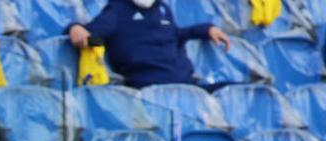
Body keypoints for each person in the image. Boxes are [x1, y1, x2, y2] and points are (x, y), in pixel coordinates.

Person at [66, 0, 230, 89]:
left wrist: (206, 29)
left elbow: (173, 35)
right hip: (151, 87)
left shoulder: (162, 9)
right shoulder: (117, 10)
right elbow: (93, 37)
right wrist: (74, 28)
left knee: (234, 90)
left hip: (185, 84)